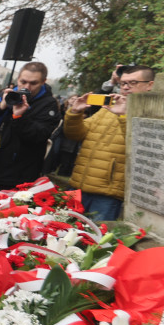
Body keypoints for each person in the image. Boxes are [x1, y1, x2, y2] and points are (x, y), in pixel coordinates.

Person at [62, 65, 155, 220]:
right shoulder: (109, 107)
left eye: (132, 83)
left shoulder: (151, 112)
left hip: (106, 194)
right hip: (78, 185)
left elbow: (141, 147)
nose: (125, 88)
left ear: (149, 85)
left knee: (95, 240)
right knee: (60, 234)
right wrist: (75, 113)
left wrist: (124, 116)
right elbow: (75, 134)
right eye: (123, 83)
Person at [0, 62, 60, 193]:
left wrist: (19, 117)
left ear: (43, 82)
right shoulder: (8, 94)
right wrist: (1, 105)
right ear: (18, 78)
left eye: (33, 83)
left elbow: (39, 135)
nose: (27, 87)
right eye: (23, 81)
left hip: (13, 177)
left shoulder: (49, 105)